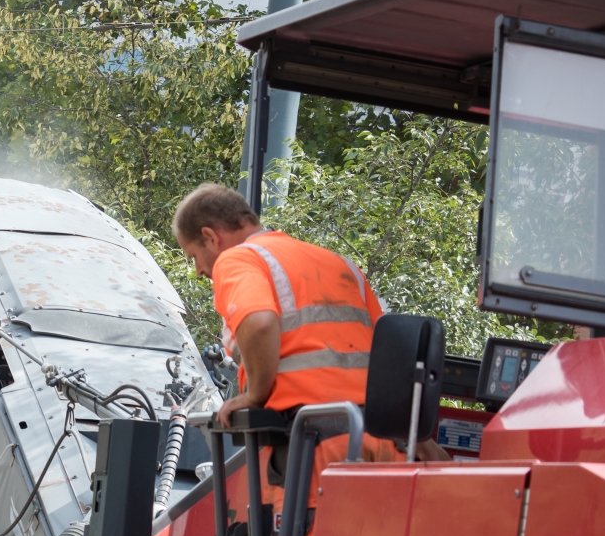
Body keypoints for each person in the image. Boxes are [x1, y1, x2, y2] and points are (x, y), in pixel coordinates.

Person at [172, 183, 440, 508]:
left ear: (212, 237)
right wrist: (423, 443)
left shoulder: (238, 259)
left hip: (316, 449)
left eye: (194, 256)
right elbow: (392, 356)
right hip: (386, 447)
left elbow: (258, 323)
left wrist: (254, 395)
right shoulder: (341, 264)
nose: (199, 270)